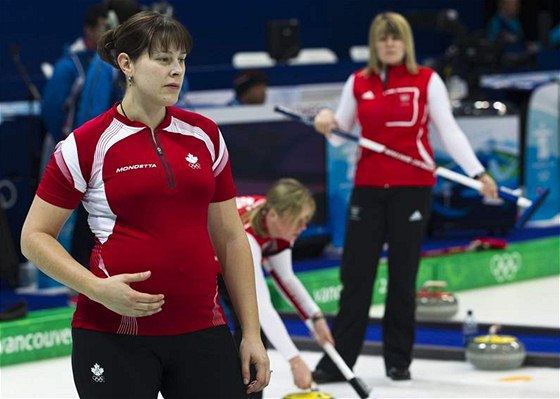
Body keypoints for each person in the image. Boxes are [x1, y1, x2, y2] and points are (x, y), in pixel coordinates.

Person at [21, 11, 270, 398]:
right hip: (112, 336)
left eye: (182, 60)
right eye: (163, 59)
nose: (176, 71)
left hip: (203, 331)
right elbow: (34, 237)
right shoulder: (84, 145)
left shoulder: (205, 136)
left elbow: (231, 239)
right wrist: (96, 288)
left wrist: (252, 333)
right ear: (127, 64)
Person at [310, 12, 498, 383]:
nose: (389, 43)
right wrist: (326, 119)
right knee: (356, 276)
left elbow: (448, 130)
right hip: (368, 188)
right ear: (375, 43)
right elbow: (339, 132)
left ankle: (398, 360)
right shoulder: (358, 82)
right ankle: (339, 362)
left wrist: (478, 172)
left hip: (412, 189)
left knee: (402, 277)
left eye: (395, 37)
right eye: (383, 38)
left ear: (405, 42)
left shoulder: (427, 80)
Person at [220, 178, 334, 398]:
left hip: (227, 262)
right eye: (298, 221)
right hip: (208, 265)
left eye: (306, 221)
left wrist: (316, 317)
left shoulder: (274, 221)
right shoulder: (247, 239)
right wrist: (295, 360)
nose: (303, 228)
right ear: (274, 216)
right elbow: (260, 306)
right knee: (248, 332)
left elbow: (287, 279)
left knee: (251, 333)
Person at [41, 3, 107, 144]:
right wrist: (68, 144)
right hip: (72, 148)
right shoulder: (69, 67)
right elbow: (51, 109)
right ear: (89, 30)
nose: (111, 33)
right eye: (105, 28)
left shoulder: (113, 64)